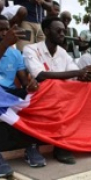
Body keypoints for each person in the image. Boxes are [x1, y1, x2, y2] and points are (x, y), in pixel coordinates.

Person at [23, 17, 91, 164]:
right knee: (54, 86)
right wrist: (78, 73)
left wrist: (87, 75)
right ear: (46, 31)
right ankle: (61, 146)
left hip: (61, 96)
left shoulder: (63, 52)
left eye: (64, 30)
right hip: (38, 95)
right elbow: (41, 75)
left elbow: (75, 74)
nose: (63, 34)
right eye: (59, 30)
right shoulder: (30, 49)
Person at [0, 15, 45, 178]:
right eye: (1, 29)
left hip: (8, 95)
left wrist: (30, 84)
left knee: (39, 94)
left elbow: (24, 81)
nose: (4, 33)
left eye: (7, 29)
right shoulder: (6, 46)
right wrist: (4, 44)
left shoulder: (15, 53)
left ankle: (31, 146)